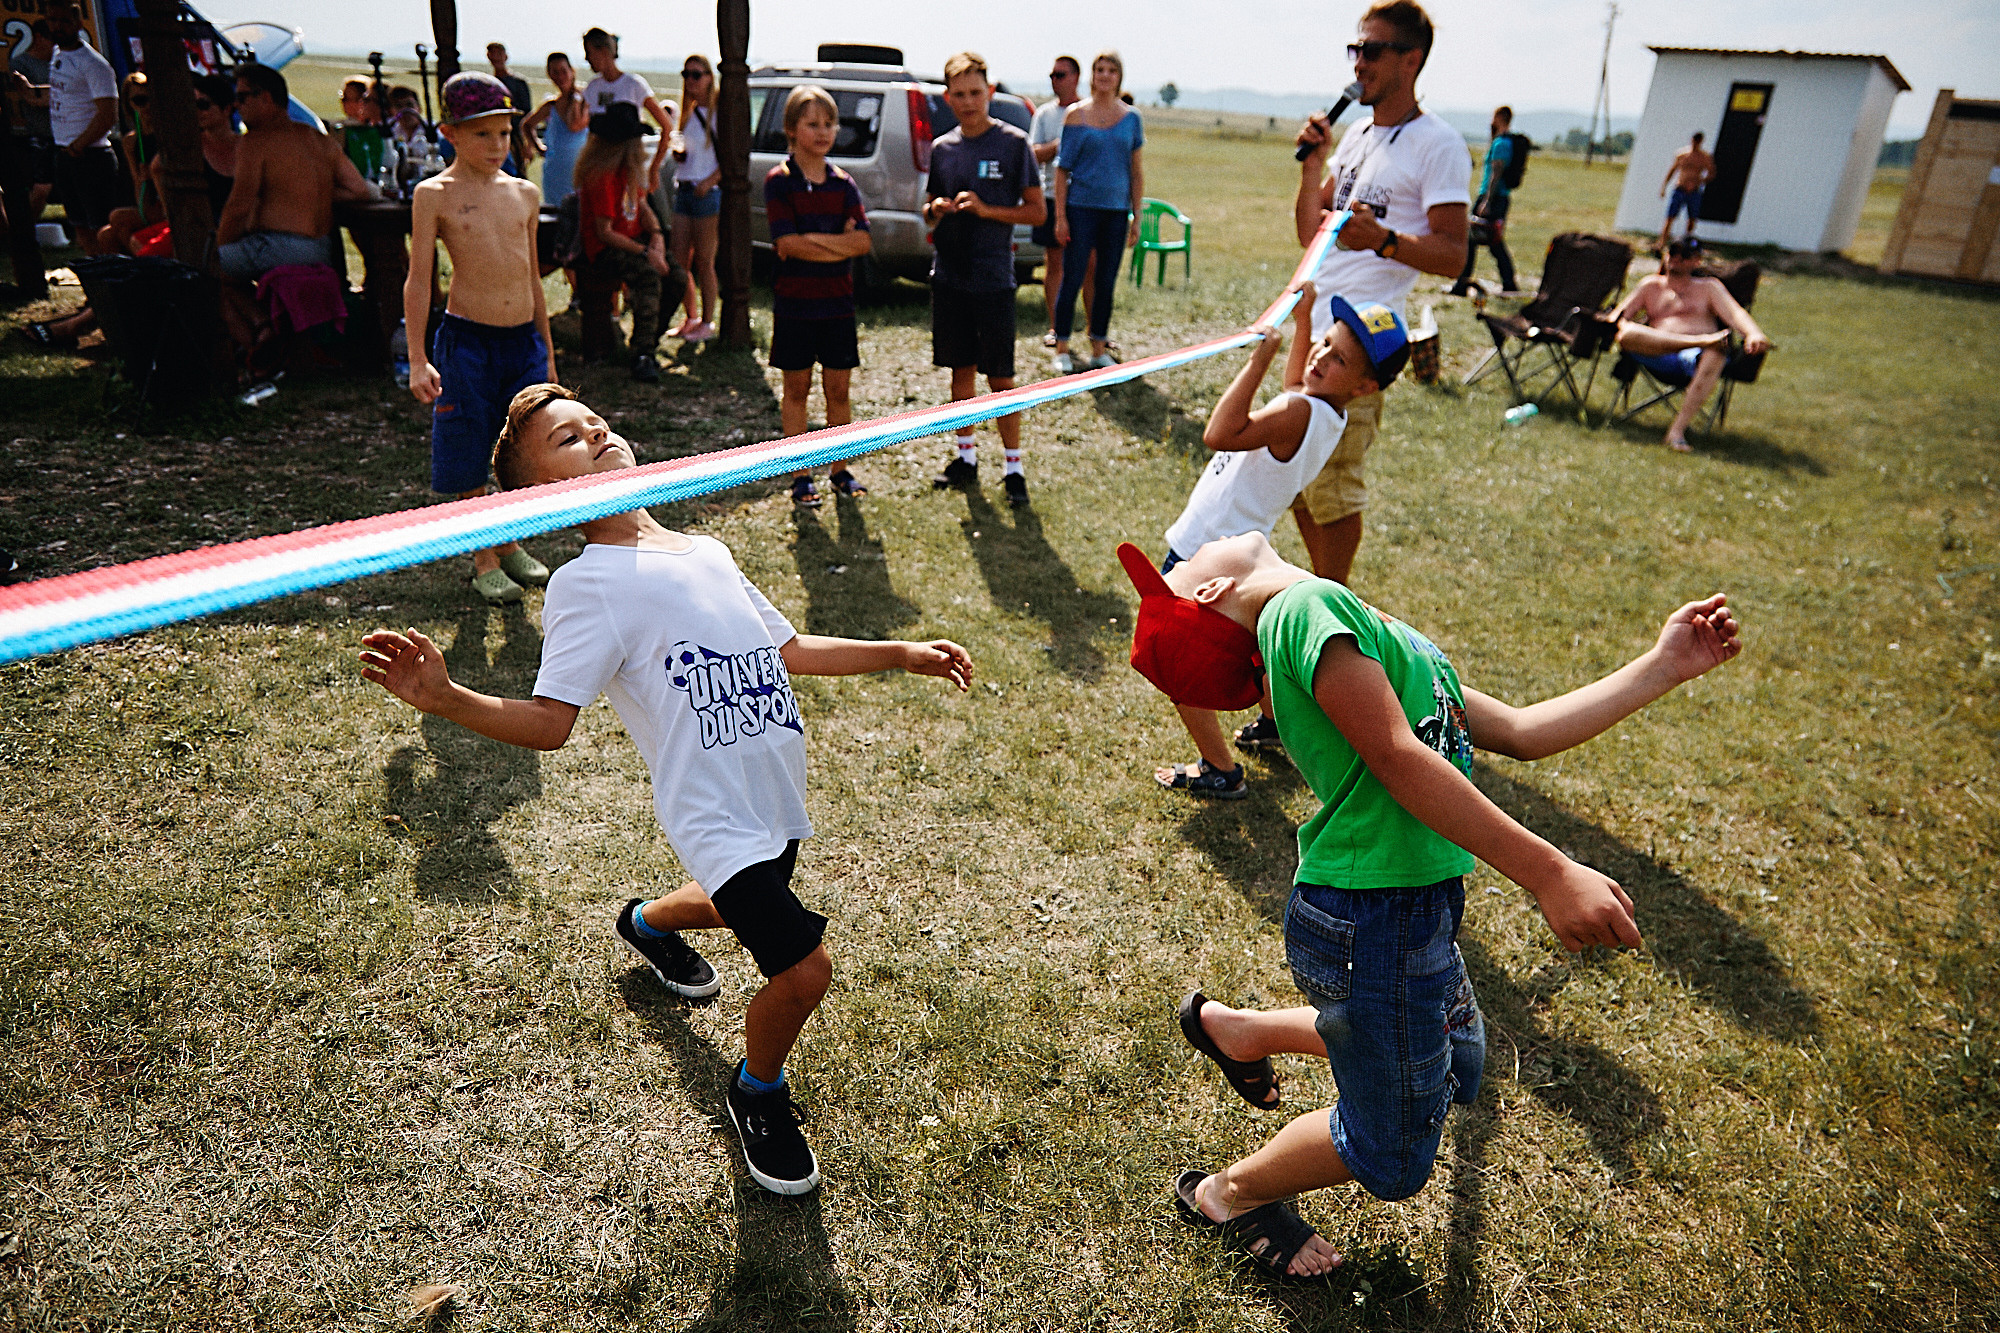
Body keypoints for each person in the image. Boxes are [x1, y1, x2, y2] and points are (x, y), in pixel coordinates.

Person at [358, 382, 976, 1196]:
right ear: (547, 497)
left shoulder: (706, 551)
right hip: (710, 811)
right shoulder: (586, 585)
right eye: (569, 439)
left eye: (594, 419)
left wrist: (900, 652)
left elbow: (788, 649)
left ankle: (645, 922)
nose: (595, 431)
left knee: (729, 905)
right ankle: (757, 1091)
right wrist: (445, 699)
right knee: (803, 971)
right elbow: (550, 722)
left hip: (770, 791)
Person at [1114, 529, 1741, 1277]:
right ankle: (1228, 1194)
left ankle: (1240, 1031)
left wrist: (1663, 665)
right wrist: (1548, 871)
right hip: (1374, 919)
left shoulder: (1340, 622)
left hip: (1410, 909)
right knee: (1391, 1151)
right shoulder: (1302, 609)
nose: (1198, 543)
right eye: (1183, 566)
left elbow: (1520, 732)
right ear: (1210, 591)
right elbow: (1396, 754)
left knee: (1459, 1061)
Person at [1153, 282, 1407, 799]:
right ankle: (1274, 724)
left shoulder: (1300, 413)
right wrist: (1304, 320)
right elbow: (1298, 384)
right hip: (1240, 555)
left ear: (1365, 387)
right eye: (1325, 343)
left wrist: (1259, 360)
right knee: (1256, 653)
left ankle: (1219, 767)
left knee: (1172, 654)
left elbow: (1219, 434)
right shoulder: (1327, 413)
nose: (1320, 358)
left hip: (1205, 554)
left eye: (1339, 359)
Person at [1290, 1, 1469, 587]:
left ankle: (1335, 605)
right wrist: (1312, 168)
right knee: (1293, 474)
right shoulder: (1358, 134)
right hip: (1316, 331)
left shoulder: (1438, 144)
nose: (1358, 64)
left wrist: (1386, 241)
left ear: (1410, 60)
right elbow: (1310, 232)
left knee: (1333, 485)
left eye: (1371, 51)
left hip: (1361, 343)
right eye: (1356, 49)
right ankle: (1327, 593)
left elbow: (1453, 254)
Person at [404, 72, 555, 606]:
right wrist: (417, 357)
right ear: (449, 133)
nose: (496, 145)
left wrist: (547, 354)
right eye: (481, 134)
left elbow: (533, 278)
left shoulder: (524, 193)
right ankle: (484, 557)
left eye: (504, 133)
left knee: (519, 445)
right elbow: (419, 279)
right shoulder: (433, 195)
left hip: (522, 342)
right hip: (467, 342)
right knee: (469, 444)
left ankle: (509, 541)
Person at [923, 51, 1043, 506]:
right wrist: (935, 209)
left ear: (990, 92)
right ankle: (966, 457)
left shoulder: (1013, 144)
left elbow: (1037, 211)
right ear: (947, 98)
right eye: (959, 94)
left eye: (976, 92)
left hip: (993, 277)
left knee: (1001, 378)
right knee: (961, 371)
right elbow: (927, 209)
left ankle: (1013, 468)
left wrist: (988, 210)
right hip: (950, 276)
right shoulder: (943, 148)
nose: (968, 102)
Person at [216, 62, 377, 357]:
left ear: (266, 98)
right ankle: (264, 330)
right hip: (320, 249)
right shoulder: (317, 138)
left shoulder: (256, 141)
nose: (237, 106)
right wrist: (308, 191)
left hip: (278, 247)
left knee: (205, 266)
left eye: (242, 98)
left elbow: (239, 207)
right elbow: (359, 190)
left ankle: (257, 337)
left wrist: (218, 245)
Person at [765, 86, 872, 509]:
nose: (823, 132)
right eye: (813, 124)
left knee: (838, 392)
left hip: (837, 304)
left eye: (829, 124)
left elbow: (863, 242)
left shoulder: (844, 185)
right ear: (792, 129)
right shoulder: (779, 182)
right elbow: (787, 244)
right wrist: (835, 243)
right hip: (795, 305)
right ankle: (801, 476)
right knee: (796, 390)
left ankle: (840, 470)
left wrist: (814, 240)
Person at [1609, 237, 1770, 452]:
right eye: (1673, 252)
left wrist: (1754, 334)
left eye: (1685, 255)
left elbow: (1735, 314)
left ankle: (1676, 432)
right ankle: (1703, 340)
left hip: (1693, 359)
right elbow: (1617, 319)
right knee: (1627, 333)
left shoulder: (1709, 287)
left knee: (1716, 354)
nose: (1677, 258)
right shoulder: (1650, 285)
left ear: (1696, 261)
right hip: (1656, 354)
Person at [1051, 51, 1143, 375]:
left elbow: (1136, 171)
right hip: (1080, 209)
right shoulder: (1075, 116)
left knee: (1105, 281)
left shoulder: (1132, 118)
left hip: (1115, 213)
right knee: (1073, 276)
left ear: (1119, 77)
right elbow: (1062, 169)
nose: (1105, 75)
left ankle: (1099, 349)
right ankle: (1062, 347)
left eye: (1111, 70)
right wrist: (1060, 216)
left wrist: (1136, 215)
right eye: (1099, 69)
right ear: (1092, 76)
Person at [573, 102, 668, 378]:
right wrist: (645, 252)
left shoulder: (629, 171)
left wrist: (657, 237)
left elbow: (643, 207)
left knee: (675, 276)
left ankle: (647, 339)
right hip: (605, 249)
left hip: (632, 241)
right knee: (648, 275)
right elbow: (604, 232)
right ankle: (642, 354)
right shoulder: (601, 176)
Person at [40, 2, 118, 256]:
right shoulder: (58, 55)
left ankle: (112, 272)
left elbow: (108, 114)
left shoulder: (93, 64)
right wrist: (30, 92)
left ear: (78, 24)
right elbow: (64, 94)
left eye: (64, 21)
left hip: (91, 155)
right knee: (79, 226)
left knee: (102, 228)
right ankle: (94, 275)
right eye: (52, 20)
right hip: (64, 152)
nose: (57, 27)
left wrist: (79, 145)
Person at [1028, 55, 1088, 346]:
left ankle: (1093, 329)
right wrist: (1058, 145)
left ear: (1076, 77)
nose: (1055, 80)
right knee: (1054, 264)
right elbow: (1033, 154)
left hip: (1084, 199)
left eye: (1060, 75)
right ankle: (1056, 327)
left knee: (1089, 264)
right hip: (1051, 196)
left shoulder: (1088, 112)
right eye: (1052, 75)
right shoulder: (1045, 114)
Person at [580, 27, 673, 194]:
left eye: (589, 53)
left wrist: (654, 168)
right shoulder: (593, 88)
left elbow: (666, 125)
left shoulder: (633, 85)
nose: (587, 59)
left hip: (628, 164)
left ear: (603, 51)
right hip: (599, 165)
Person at [668, 54, 721, 343]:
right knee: (679, 261)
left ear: (710, 78)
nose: (691, 80)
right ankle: (691, 317)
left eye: (697, 74)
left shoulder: (717, 112)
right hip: (685, 188)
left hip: (705, 193)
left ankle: (708, 322)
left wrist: (709, 181)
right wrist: (680, 156)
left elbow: (730, 158)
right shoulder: (688, 111)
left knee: (705, 261)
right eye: (686, 74)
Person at [1449, 105, 1519, 297]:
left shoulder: (1501, 143)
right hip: (1496, 197)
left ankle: (1465, 284)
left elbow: (1496, 172)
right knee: (1487, 241)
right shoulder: (1503, 141)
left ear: (1501, 117)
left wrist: (1487, 200)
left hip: (1492, 198)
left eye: (1494, 116)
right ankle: (1506, 282)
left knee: (1484, 240)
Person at [8, 20, 60, 225]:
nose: (56, 45)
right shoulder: (21, 64)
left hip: (67, 134)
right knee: (41, 188)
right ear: (39, 37)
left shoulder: (60, 61)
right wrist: (64, 93)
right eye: (52, 39)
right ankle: (26, 230)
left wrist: (38, 91)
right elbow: (30, 98)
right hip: (40, 135)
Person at [524, 52, 589, 205]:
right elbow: (527, 125)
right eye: (555, 72)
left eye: (563, 71)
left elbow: (575, 125)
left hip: (581, 171)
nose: (560, 76)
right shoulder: (551, 105)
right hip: (555, 173)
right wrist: (539, 148)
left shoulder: (586, 99)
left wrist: (575, 100)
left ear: (572, 71)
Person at [1659, 130, 1714, 251]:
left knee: (1691, 218)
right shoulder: (1682, 154)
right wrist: (1664, 187)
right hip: (1680, 188)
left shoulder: (1704, 157)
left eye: (1697, 142)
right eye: (1694, 141)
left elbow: (1711, 173)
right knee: (1670, 216)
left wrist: (1700, 181)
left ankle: (1686, 243)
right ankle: (1662, 242)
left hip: (1694, 191)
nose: (1695, 144)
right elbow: (1672, 170)